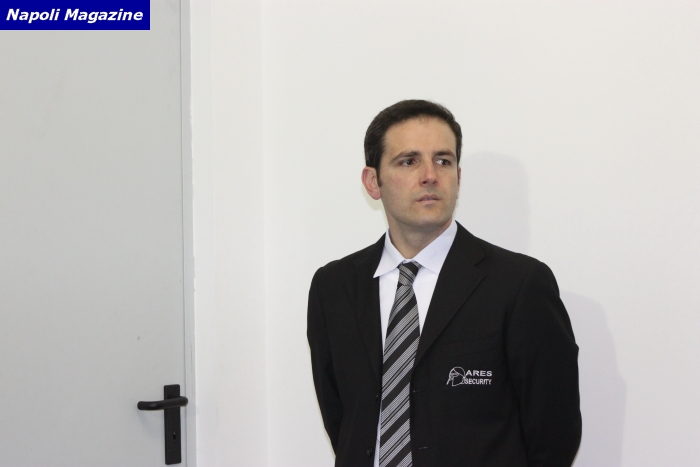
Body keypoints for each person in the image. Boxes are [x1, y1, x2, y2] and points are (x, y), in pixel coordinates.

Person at [307, 100, 581, 467]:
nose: (430, 175)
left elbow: (554, 433)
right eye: (409, 161)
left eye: (443, 161)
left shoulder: (519, 285)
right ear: (373, 182)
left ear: (458, 177)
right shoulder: (334, 288)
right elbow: (343, 420)